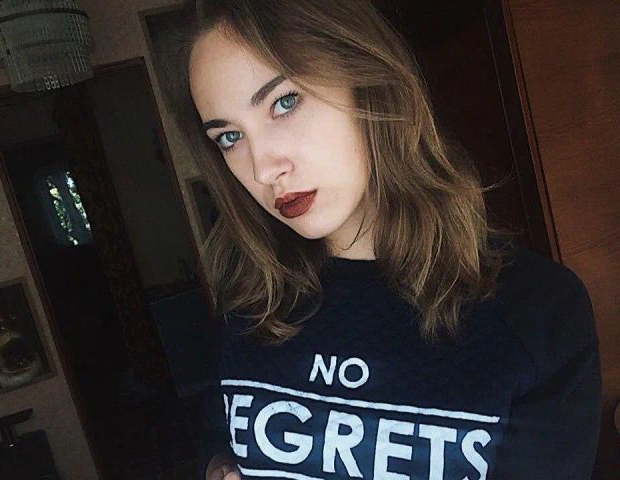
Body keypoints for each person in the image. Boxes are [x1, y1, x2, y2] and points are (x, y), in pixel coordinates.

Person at [161, 1, 603, 478]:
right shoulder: (253, 294)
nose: (264, 168)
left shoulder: (537, 310)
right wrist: (218, 467)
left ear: (368, 81)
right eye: (229, 137)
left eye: (284, 103)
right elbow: (220, 433)